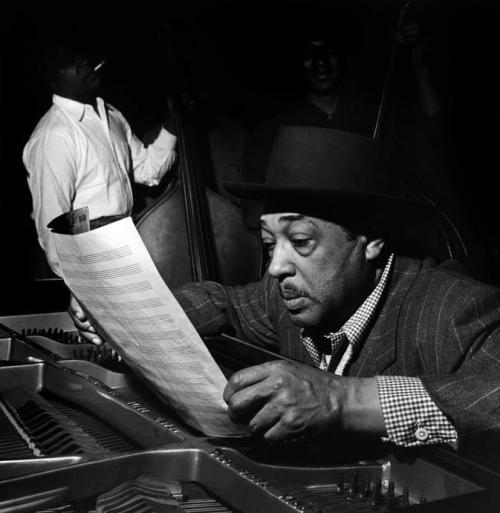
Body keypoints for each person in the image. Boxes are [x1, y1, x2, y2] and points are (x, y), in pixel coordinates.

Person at [71, 126, 500, 453]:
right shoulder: (283, 296)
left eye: (300, 242)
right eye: (269, 243)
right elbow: (224, 303)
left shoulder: (451, 306)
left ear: (370, 239)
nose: (276, 267)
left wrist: (343, 401)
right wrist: (124, 307)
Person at [23, 42, 177, 277]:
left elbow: (148, 171)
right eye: (69, 64)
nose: (83, 63)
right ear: (53, 81)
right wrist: (79, 284)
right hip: (90, 255)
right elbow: (54, 224)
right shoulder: (54, 134)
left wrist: (173, 124)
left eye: (80, 58)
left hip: (128, 241)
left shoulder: (112, 116)